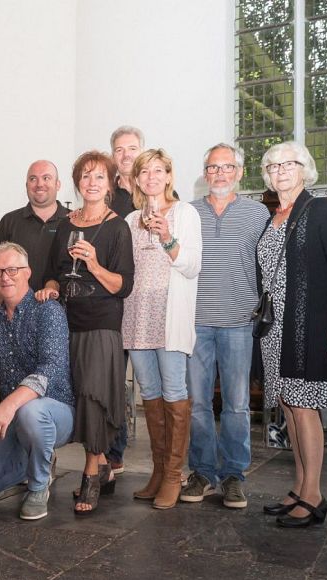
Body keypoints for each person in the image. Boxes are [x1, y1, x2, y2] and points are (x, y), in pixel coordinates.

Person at [37, 150, 134, 515]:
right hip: (67, 323)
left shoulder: (117, 227)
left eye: (99, 177)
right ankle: (105, 465)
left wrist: (93, 262)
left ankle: (91, 473)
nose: (91, 183)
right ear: (77, 182)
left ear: (110, 184)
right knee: (76, 395)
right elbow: (52, 271)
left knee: (93, 397)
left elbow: (122, 285)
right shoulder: (65, 224)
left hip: (101, 324)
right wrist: (48, 287)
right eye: (85, 176)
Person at [257, 142, 327, 528]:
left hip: (308, 323)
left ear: (304, 168)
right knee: (288, 405)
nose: (280, 171)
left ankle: (314, 493)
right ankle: (298, 484)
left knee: (305, 405)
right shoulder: (271, 216)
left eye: (288, 164)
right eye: (273, 166)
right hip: (274, 327)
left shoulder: (321, 210)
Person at [0, 242, 75, 520]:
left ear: (27, 272)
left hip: (55, 412)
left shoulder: (48, 310)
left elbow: (52, 368)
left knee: (30, 410)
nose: (5, 277)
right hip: (12, 420)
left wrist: (8, 406)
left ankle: (38, 486)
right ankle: (32, 463)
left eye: (13, 270)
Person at [180, 143, 269, 509]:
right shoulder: (188, 212)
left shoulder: (258, 213)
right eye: (212, 168)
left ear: (239, 172)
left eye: (226, 167)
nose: (219, 174)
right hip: (196, 322)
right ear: (205, 173)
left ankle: (234, 475)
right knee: (198, 404)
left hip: (237, 323)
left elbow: (268, 268)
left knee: (236, 405)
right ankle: (202, 472)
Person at [121, 149, 202, 510]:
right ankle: (157, 470)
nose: (151, 177)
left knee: (173, 390)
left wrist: (168, 237)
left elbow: (192, 266)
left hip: (169, 315)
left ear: (169, 176)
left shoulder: (185, 213)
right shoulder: (130, 220)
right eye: (144, 172)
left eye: (158, 170)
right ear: (136, 180)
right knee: (149, 393)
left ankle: (173, 475)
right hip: (137, 314)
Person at [0, 160, 70, 292]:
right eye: (33, 179)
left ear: (58, 184)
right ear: (26, 185)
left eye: (46, 178)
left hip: (63, 308)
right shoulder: (9, 221)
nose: (39, 184)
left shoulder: (72, 221)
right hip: (17, 308)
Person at [109, 125, 145, 219]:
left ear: (142, 153)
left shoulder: (160, 192)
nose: (126, 155)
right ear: (113, 157)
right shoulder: (105, 196)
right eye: (119, 150)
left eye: (132, 148)